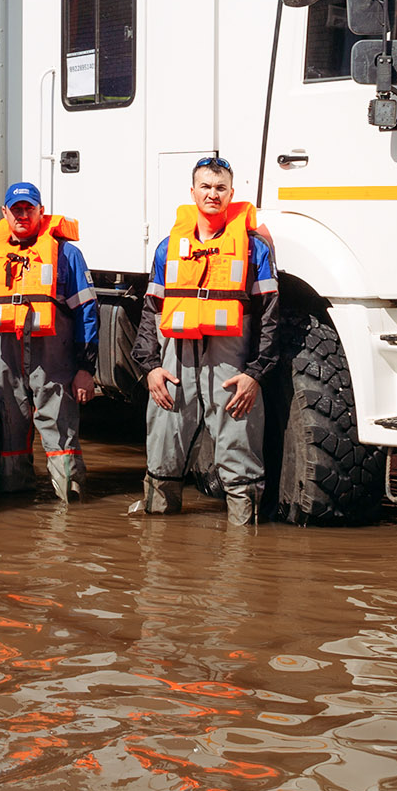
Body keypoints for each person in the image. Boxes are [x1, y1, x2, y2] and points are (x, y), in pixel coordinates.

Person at [132, 155, 281, 524]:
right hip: (173, 368)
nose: (212, 194)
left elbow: (270, 317)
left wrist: (255, 374)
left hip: (232, 370)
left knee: (240, 456)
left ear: (231, 194)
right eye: (206, 187)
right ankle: (160, 546)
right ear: (193, 191)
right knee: (163, 453)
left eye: (220, 188)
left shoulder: (254, 249)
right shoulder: (168, 248)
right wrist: (150, 367)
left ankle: (243, 552)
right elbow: (151, 312)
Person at [0, 182, 97, 501]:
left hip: (54, 362)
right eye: (16, 209)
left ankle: (71, 509)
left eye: (29, 208)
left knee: (61, 437)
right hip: (3, 361)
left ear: (41, 211)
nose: (23, 215)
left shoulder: (67, 255)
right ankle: (14, 508)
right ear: (5, 213)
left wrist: (85, 368)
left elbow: (87, 314)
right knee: (10, 440)